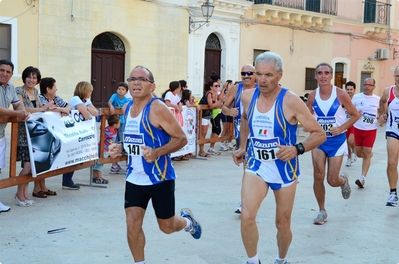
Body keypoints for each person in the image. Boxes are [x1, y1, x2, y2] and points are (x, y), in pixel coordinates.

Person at [232, 52, 325, 264]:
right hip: (257, 164)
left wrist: (297, 148)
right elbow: (246, 120)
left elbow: (318, 133)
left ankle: (281, 260)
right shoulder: (248, 97)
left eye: (269, 75)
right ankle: (252, 260)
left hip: (284, 168)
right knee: (247, 216)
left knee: (282, 223)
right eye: (258, 74)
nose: (262, 80)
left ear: (280, 75)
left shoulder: (291, 101)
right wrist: (242, 147)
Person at [115, 65, 201, 263]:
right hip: (134, 178)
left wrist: (157, 153)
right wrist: (120, 147)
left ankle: (188, 222)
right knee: (132, 224)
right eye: (132, 78)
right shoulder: (127, 107)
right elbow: (134, 140)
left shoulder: (157, 108)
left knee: (167, 227)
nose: (136, 82)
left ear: (152, 86)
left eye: (142, 79)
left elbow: (181, 138)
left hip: (159, 178)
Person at [307, 62, 360, 225]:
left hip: (337, 141)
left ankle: (342, 180)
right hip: (318, 141)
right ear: (315, 76)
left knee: (331, 180)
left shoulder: (341, 94)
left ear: (331, 76)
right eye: (320, 73)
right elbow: (308, 117)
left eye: (326, 73)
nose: (323, 76)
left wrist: (342, 128)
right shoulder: (312, 96)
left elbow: (355, 115)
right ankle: (322, 211)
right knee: (318, 176)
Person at [15, 66, 55, 205]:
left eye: (34, 77)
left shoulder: (36, 92)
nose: (31, 80)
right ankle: (19, 194)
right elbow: (22, 109)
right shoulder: (18, 91)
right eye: (29, 77)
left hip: (36, 134)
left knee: (32, 166)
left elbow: (41, 110)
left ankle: (25, 194)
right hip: (23, 133)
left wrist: (50, 109)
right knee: (27, 166)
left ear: (37, 80)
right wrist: (42, 108)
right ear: (24, 77)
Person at [222, 63, 257, 214]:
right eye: (243, 73)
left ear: (255, 74)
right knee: (247, 169)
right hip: (241, 134)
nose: (246, 76)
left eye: (249, 73)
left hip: (258, 134)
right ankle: (244, 202)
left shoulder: (260, 89)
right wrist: (229, 111)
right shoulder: (235, 89)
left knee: (255, 170)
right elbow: (223, 106)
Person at [0, 59, 30, 211]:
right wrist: (16, 113)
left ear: (12, 74)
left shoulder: (11, 87)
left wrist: (22, 111)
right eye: (1, 70)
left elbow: (17, 103)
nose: (4, 74)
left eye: (8, 72)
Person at [62, 81, 99, 190]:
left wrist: (86, 107)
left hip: (80, 132)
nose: (91, 93)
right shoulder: (76, 100)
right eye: (90, 91)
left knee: (76, 156)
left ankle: (68, 180)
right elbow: (88, 116)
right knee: (71, 156)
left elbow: (96, 113)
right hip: (73, 132)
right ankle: (66, 181)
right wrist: (87, 108)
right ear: (84, 90)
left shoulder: (85, 101)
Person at [351, 78, 380, 188]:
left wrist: (381, 119)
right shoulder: (357, 97)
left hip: (371, 129)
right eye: (365, 84)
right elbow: (350, 110)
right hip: (358, 128)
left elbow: (381, 112)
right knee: (359, 154)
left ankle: (362, 178)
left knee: (366, 152)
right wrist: (355, 113)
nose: (367, 86)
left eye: (370, 85)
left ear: (374, 87)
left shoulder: (377, 99)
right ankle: (368, 154)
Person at [378, 66, 399, 206]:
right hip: (393, 130)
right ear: (394, 76)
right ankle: (393, 193)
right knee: (392, 162)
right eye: (398, 76)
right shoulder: (388, 91)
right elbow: (382, 101)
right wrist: (383, 113)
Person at [108, 82, 131, 173]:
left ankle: (127, 165)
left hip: (122, 123)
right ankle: (114, 165)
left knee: (123, 142)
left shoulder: (127, 100)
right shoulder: (114, 96)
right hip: (113, 123)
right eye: (119, 89)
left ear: (126, 91)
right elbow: (110, 101)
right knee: (114, 142)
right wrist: (111, 106)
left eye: (123, 89)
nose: (120, 91)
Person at [92, 115, 120, 184]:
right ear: (114, 124)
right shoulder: (107, 130)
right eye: (118, 123)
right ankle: (98, 177)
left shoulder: (115, 130)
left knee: (99, 163)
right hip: (103, 148)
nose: (120, 124)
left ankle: (95, 177)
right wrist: (101, 129)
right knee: (100, 162)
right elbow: (103, 135)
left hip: (107, 149)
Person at [205, 80, 224, 155]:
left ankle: (211, 147)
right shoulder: (210, 94)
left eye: (218, 86)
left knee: (215, 130)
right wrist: (220, 102)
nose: (218, 87)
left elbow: (218, 104)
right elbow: (211, 105)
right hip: (213, 113)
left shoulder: (215, 94)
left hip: (216, 112)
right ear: (211, 87)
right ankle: (211, 147)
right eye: (216, 86)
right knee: (217, 130)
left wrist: (220, 102)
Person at [344, 81, 357, 167]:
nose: (349, 91)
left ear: (354, 90)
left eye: (351, 89)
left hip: (354, 123)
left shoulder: (357, 99)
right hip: (344, 123)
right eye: (348, 89)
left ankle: (354, 151)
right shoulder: (343, 98)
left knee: (350, 140)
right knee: (346, 143)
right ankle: (349, 158)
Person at [219, 80, 234, 151]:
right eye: (230, 84)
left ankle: (228, 142)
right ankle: (221, 143)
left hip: (230, 111)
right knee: (225, 128)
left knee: (229, 129)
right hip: (225, 112)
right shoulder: (225, 92)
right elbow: (224, 99)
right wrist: (226, 89)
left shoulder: (232, 92)